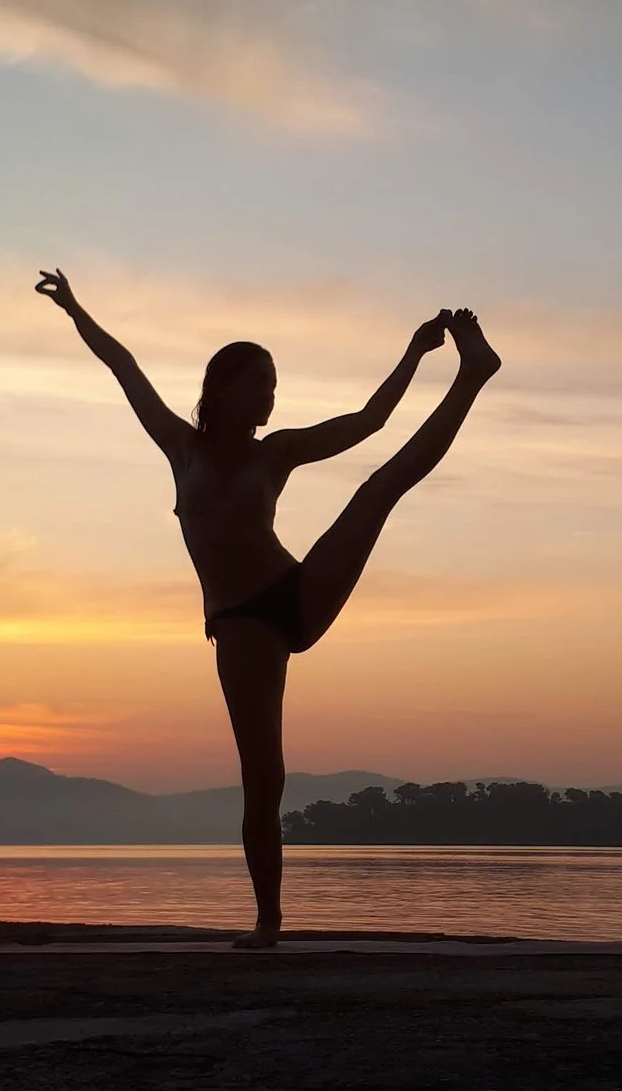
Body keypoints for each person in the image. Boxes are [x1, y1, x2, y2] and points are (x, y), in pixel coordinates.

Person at [35, 269, 499, 947]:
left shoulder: (276, 454)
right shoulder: (180, 448)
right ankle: (269, 921)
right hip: (242, 622)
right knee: (265, 777)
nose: (272, 394)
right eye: (261, 382)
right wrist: (75, 308)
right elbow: (123, 366)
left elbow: (368, 422)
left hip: (296, 594)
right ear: (222, 389)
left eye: (276, 384)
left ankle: (473, 375)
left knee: (378, 488)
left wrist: (416, 353)